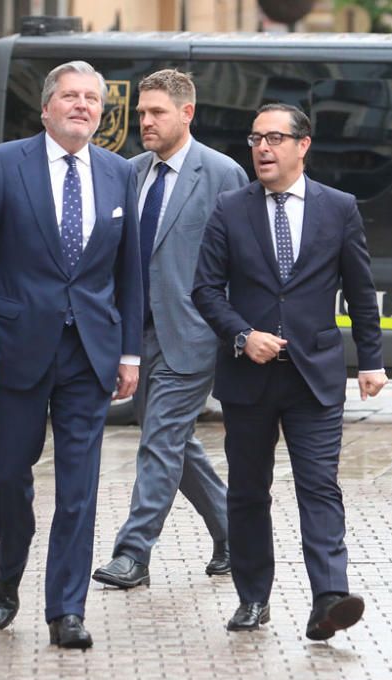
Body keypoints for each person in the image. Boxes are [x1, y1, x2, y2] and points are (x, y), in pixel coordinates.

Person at [0, 60, 142, 649]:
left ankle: (66, 609)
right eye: (70, 96)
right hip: (13, 349)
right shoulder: (6, 164)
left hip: (89, 352)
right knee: (8, 475)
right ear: (46, 108)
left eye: (93, 98)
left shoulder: (118, 173)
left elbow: (129, 273)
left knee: (80, 486)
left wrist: (131, 352)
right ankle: (11, 560)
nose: (83, 105)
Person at [192, 103, 388, 639]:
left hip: (314, 375)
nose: (262, 148)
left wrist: (370, 359)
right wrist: (241, 335)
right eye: (255, 139)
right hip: (249, 377)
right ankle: (253, 598)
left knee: (319, 485)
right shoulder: (230, 208)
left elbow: (360, 290)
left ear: (303, 146)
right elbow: (205, 289)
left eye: (275, 138)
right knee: (248, 492)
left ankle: (328, 597)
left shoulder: (339, 207)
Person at [93, 69, 248, 591]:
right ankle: (234, 532)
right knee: (173, 443)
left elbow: (241, 262)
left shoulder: (223, 174)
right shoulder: (130, 171)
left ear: (187, 113)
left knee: (159, 441)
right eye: (141, 112)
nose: (145, 121)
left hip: (193, 334)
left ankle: (133, 554)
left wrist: (233, 331)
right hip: (134, 337)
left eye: (157, 112)